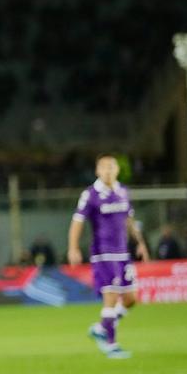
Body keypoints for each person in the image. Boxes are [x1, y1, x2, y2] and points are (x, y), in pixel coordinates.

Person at [67, 153, 150, 359]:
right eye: (104, 167)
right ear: (97, 171)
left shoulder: (123, 191)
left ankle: (101, 327)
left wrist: (140, 243)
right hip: (103, 254)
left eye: (111, 167)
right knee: (111, 296)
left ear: (117, 170)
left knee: (131, 299)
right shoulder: (91, 194)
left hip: (123, 253)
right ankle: (111, 344)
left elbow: (129, 220)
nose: (108, 170)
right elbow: (77, 221)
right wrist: (73, 247)